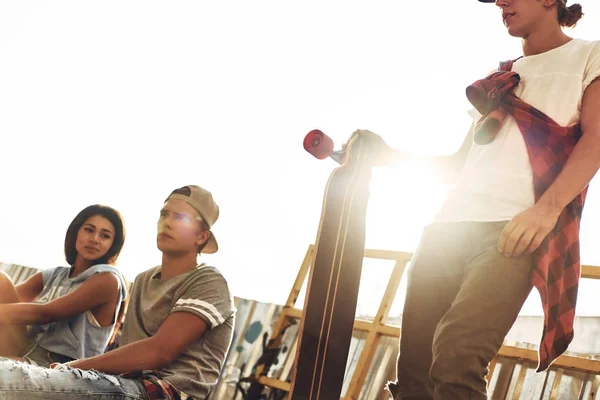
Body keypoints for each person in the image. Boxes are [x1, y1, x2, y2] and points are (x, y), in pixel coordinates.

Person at [348, 1, 600, 399]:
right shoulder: (500, 76)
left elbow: (596, 138)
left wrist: (546, 210)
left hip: (511, 233)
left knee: (456, 357)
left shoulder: (589, 54)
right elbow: (460, 166)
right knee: (414, 374)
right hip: (445, 232)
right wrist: (387, 155)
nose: (500, 2)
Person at [0, 185, 235, 400]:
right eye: (165, 214)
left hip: (166, 391)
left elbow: (159, 351)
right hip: (125, 382)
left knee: (7, 380)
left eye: (182, 218)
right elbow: (131, 353)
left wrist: (72, 368)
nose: (168, 223)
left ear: (202, 236)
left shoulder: (209, 281)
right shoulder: (144, 279)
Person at [0, 204, 128, 367]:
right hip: (27, 348)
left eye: (105, 236)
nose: (95, 239)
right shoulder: (55, 275)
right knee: (2, 281)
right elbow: (9, 300)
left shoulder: (108, 280)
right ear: (76, 232)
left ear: (113, 245)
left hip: (60, 364)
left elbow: (45, 313)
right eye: (89, 230)